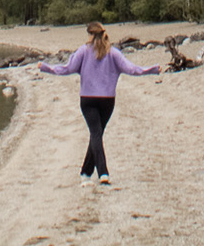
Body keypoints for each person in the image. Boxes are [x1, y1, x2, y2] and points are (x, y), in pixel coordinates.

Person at [38, 21, 161, 186]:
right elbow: (132, 69)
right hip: (107, 101)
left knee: (96, 134)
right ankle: (89, 173)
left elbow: (67, 68)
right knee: (97, 134)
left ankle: (97, 173)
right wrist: (151, 70)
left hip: (88, 100)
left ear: (90, 34)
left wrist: (46, 67)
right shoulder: (113, 53)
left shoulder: (84, 51)